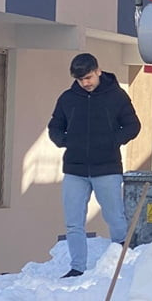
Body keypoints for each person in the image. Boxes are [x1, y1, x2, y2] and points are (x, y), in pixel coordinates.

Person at [47, 53, 141, 278]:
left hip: (107, 168)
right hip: (75, 169)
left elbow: (133, 125)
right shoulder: (68, 98)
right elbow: (55, 127)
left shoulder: (116, 96)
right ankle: (77, 267)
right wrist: (65, 141)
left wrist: (112, 141)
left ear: (98, 71)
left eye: (88, 77)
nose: (85, 83)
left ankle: (123, 262)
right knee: (73, 222)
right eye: (80, 80)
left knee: (115, 217)